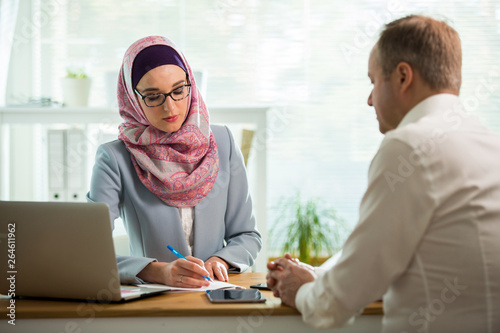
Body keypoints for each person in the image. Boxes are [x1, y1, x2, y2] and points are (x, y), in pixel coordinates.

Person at [267, 15, 500, 332]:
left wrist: (300, 289)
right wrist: (321, 275)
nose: (369, 99)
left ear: (403, 77)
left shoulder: (409, 147)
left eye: (373, 81)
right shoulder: (489, 143)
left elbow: (335, 306)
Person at [87, 36, 262, 288]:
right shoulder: (114, 158)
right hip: (153, 301)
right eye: (153, 96)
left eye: (179, 90)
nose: (170, 107)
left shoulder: (223, 142)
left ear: (190, 83)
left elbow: (247, 235)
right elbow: (90, 251)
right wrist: (158, 272)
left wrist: (221, 260)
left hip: (215, 296)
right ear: (133, 98)